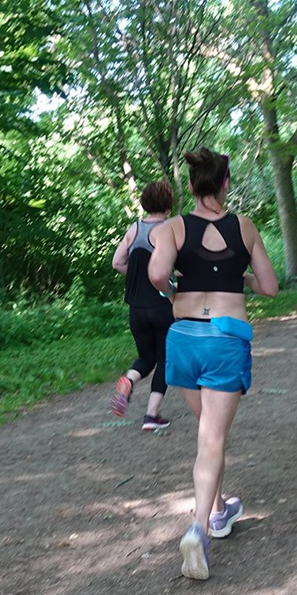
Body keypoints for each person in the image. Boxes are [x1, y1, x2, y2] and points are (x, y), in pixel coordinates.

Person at [148, 147, 279, 580]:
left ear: (190, 186)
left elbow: (155, 275)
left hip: (183, 337)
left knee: (209, 433)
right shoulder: (244, 226)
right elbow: (270, 286)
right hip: (225, 337)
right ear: (226, 183)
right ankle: (198, 530)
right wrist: (236, 278)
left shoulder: (172, 228)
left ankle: (220, 510)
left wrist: (175, 289)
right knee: (212, 440)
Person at [109, 181, 176, 431]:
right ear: (168, 206)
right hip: (161, 306)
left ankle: (128, 380)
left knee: (146, 358)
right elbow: (175, 265)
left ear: (144, 203)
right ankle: (151, 415)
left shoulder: (134, 228)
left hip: (136, 309)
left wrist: (138, 276)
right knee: (165, 360)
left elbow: (117, 262)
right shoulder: (168, 229)